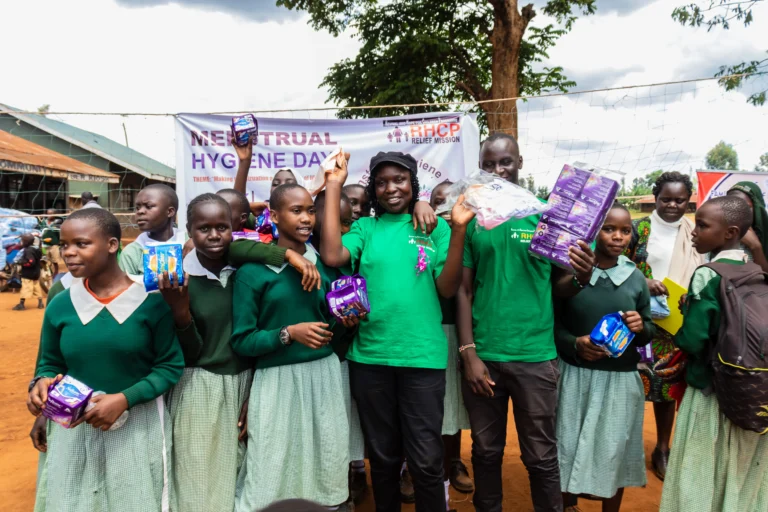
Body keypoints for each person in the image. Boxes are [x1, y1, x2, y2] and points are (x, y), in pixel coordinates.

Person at [320, 151, 476, 512]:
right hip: (370, 359)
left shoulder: (432, 227)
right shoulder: (366, 229)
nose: (391, 188)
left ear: (413, 184)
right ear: (373, 189)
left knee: (426, 459)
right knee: (383, 458)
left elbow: (447, 288)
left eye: (400, 180)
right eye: (382, 182)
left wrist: (458, 231)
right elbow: (332, 255)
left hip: (422, 358)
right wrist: (333, 184)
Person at [457, 132, 596, 512]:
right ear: (480, 167)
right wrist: (469, 354)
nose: (498, 170)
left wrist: (581, 276)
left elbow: (560, 286)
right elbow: (463, 291)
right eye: (489, 164)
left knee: (540, 456)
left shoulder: (546, 215)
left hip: (535, 356)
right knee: (485, 451)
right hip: (485, 356)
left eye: (505, 162)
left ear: (519, 163)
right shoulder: (473, 217)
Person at [27, 208, 184, 512]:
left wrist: (125, 399)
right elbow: (50, 363)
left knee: (134, 502)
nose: (68, 253)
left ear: (112, 245)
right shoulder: (61, 303)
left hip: (136, 426)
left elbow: (169, 366)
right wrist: (41, 383)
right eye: (64, 245)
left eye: (81, 244)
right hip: (74, 427)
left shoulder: (151, 301)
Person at [158, 193, 296, 511]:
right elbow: (188, 355)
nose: (214, 235)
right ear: (188, 230)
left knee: (245, 473)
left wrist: (254, 390)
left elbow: (258, 332)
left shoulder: (245, 271)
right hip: (199, 388)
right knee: (199, 477)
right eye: (204, 228)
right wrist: (180, 312)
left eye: (222, 227)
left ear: (233, 228)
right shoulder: (177, 279)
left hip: (247, 382)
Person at [231, 183, 352, 511]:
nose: (306, 219)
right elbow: (242, 340)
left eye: (310, 211)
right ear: (273, 216)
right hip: (276, 382)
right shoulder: (253, 272)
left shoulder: (323, 264)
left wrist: (347, 320)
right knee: (271, 462)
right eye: (296, 211)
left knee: (325, 458)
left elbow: (330, 327)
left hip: (324, 377)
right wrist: (288, 334)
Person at [659, 196, 768, 512]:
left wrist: (684, 319)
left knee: (701, 467)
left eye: (703, 226)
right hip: (749, 388)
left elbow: (693, 342)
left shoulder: (707, 273)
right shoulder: (754, 271)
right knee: (737, 470)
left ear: (730, 233)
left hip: (709, 390)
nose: (694, 232)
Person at [555, 203, 655, 512]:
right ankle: (567, 504)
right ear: (593, 230)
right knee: (567, 444)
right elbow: (553, 323)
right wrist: (574, 344)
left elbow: (648, 330)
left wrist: (641, 326)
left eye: (625, 231)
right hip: (575, 374)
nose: (618, 237)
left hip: (620, 380)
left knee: (614, 448)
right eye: (609, 229)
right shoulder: (570, 273)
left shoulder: (635, 278)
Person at [625, 171, 703, 481]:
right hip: (634, 320)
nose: (672, 205)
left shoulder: (695, 233)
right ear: (655, 198)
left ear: (688, 201)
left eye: (679, 200)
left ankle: (662, 448)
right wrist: (643, 282)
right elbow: (617, 263)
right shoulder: (638, 229)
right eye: (666, 199)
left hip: (673, 325)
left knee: (666, 387)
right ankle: (625, 448)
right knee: (629, 384)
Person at [312, 189, 367, 504]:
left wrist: (353, 320)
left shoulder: (350, 257)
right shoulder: (302, 254)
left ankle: (344, 486)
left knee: (340, 429)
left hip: (342, 360)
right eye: (339, 220)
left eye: (348, 222)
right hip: (307, 363)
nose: (344, 228)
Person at [432, 180, 475, 500]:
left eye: (453, 200)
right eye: (438, 201)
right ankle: (414, 466)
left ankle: (454, 460)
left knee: (453, 403)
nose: (446, 207)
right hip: (427, 328)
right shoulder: (423, 234)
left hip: (460, 329)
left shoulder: (470, 234)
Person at [29, 271, 74, 512]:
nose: (70, 254)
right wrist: (44, 413)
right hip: (69, 409)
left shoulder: (139, 288)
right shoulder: (61, 291)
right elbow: (49, 360)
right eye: (65, 250)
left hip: (128, 413)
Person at [119, 184, 187, 275]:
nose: (140, 211)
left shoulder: (190, 244)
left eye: (149, 206)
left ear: (170, 212)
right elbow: (126, 283)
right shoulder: (132, 253)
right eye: (137, 208)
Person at [727, 181, 768, 272]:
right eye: (730, 206)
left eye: (744, 206)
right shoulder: (720, 235)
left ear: (757, 208)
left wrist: (755, 247)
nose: (736, 212)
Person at [13, 233, 44, 310]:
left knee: (25, 287)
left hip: (28, 273)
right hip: (36, 272)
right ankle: (40, 303)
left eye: (22, 241)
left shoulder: (28, 250)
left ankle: (21, 304)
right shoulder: (37, 249)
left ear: (26, 242)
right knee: (36, 287)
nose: (21, 242)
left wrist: (21, 263)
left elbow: (30, 262)